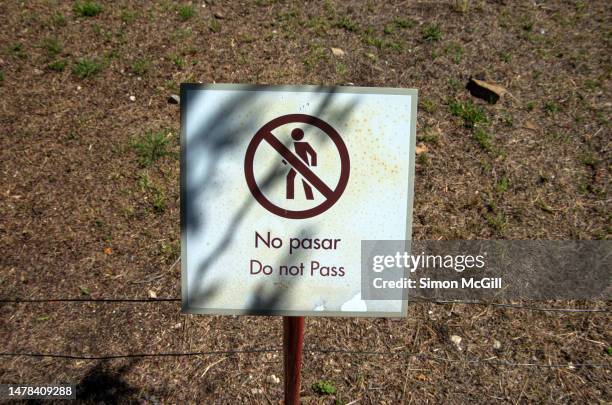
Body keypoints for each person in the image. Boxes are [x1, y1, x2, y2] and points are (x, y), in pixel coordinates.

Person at [286, 128, 316, 200]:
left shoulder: (305, 145)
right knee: (290, 177)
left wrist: (313, 164)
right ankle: (290, 195)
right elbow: (288, 156)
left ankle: (309, 196)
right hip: (294, 166)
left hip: (303, 165)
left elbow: (313, 154)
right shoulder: (291, 146)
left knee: (305, 180)